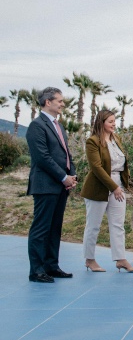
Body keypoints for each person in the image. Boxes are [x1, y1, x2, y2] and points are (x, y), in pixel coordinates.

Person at [26, 87, 77, 283]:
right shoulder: (36, 126)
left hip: (60, 185)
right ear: (48, 102)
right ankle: (37, 270)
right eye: (60, 101)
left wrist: (71, 174)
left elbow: (65, 153)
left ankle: (51, 266)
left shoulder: (59, 126)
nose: (63, 104)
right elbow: (42, 157)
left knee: (55, 227)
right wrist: (63, 177)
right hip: (45, 185)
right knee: (41, 228)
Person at [80, 109, 133, 273]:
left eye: (114, 121)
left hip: (118, 185)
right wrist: (114, 187)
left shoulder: (116, 139)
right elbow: (96, 167)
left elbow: (122, 163)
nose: (113, 124)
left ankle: (121, 259)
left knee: (118, 225)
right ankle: (89, 259)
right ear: (101, 122)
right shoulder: (93, 141)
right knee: (93, 226)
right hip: (98, 187)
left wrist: (123, 185)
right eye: (110, 121)